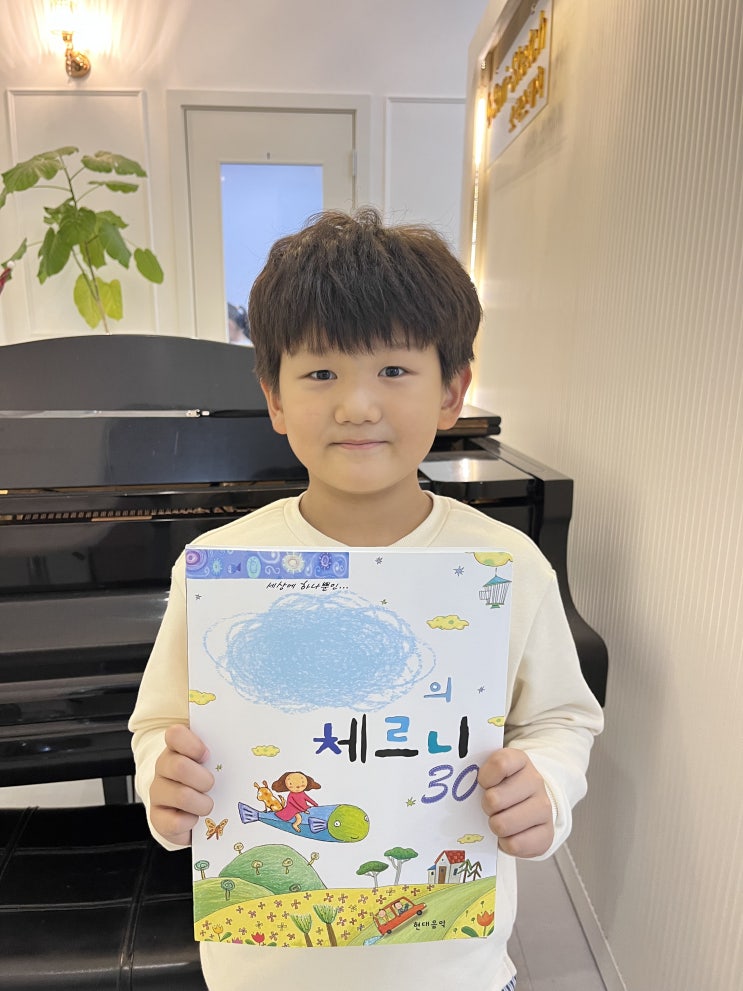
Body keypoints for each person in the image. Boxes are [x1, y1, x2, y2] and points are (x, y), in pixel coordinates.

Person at [129, 208, 603, 991]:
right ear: (274, 399)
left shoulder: (506, 565)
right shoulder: (219, 567)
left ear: (451, 391)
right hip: (262, 970)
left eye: (392, 370)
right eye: (320, 374)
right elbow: (158, 723)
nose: (356, 405)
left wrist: (544, 786)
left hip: (452, 969)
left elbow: (560, 718)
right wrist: (162, 780)